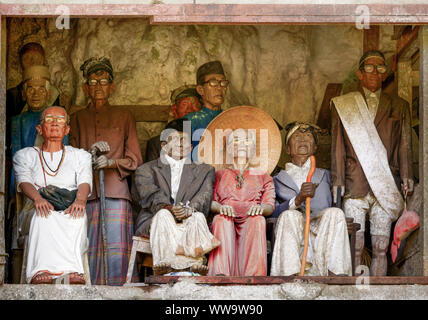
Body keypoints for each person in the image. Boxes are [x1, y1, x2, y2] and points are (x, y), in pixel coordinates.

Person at [331, 50, 414, 276]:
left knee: (380, 245)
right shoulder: (344, 104)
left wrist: (407, 175)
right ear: (359, 73)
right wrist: (337, 180)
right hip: (353, 182)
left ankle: (379, 288)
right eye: (370, 67)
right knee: (355, 245)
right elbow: (337, 145)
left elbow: (405, 144)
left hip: (386, 182)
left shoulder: (399, 105)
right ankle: (353, 290)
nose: (375, 72)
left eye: (381, 68)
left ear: (386, 74)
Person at [69, 56, 143, 285]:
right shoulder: (76, 118)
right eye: (92, 82)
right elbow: (69, 159)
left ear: (112, 86)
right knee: (88, 248)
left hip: (116, 192)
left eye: (103, 81)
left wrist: (110, 163)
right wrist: (88, 157)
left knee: (117, 250)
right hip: (87, 194)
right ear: (85, 88)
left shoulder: (125, 116)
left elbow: (135, 159)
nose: (98, 86)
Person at [13, 106, 92, 284]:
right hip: (36, 206)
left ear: (67, 129)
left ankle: (72, 271)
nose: (55, 123)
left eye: (60, 120)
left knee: (76, 217)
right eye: (49, 119)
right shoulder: (24, 155)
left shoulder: (81, 156)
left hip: (70, 204)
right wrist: (38, 198)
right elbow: (24, 180)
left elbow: (85, 181)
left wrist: (80, 200)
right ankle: (41, 270)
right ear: (40, 128)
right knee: (44, 216)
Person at [134, 119, 220, 275]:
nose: (180, 144)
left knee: (198, 217)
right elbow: (150, 195)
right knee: (163, 215)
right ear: (163, 146)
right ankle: (166, 264)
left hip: (188, 215)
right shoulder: (146, 169)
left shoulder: (205, 170)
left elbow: (205, 195)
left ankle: (193, 265)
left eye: (184, 141)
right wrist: (170, 209)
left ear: (191, 147)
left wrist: (189, 210)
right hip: (155, 217)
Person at [204, 106, 281, 276]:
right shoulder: (218, 174)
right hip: (227, 214)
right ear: (228, 148)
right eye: (236, 141)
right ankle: (221, 274)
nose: (241, 145)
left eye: (247, 141)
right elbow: (208, 201)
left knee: (258, 221)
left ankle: (253, 275)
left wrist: (260, 209)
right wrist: (219, 207)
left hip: (250, 216)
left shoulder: (263, 176)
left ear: (254, 149)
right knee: (220, 220)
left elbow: (269, 205)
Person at [270, 122, 352, 276]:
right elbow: (272, 212)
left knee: (335, 213)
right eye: (296, 137)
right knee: (289, 215)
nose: (302, 140)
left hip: (321, 226)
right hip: (293, 227)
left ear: (315, 148)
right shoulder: (275, 179)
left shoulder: (327, 175)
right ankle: (290, 274)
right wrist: (298, 199)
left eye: (308, 136)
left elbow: (338, 202)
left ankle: (336, 273)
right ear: (287, 149)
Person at [184, 61, 228, 161]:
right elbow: (183, 157)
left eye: (223, 83)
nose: (219, 88)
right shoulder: (189, 120)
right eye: (213, 83)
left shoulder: (233, 118)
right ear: (200, 90)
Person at [145, 85, 202, 162]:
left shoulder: (205, 140)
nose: (190, 110)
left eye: (195, 105)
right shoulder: (156, 143)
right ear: (174, 109)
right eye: (184, 104)